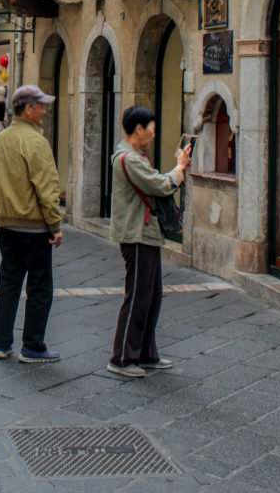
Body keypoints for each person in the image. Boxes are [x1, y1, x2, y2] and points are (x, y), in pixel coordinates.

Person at [108, 105, 191, 378]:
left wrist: (175, 168)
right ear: (139, 129)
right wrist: (179, 169)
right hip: (136, 234)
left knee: (152, 295)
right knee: (137, 297)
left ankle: (145, 353)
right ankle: (121, 358)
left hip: (146, 232)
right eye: (152, 131)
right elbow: (159, 185)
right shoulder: (129, 159)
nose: (153, 136)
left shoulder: (135, 157)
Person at [0, 84, 63, 363]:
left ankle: (1, 342)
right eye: (40, 105)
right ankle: (32, 345)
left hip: (6, 224)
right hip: (32, 225)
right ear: (28, 109)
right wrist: (54, 225)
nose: (44, 110)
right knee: (40, 286)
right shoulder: (35, 142)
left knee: (9, 282)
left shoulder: (2, 139)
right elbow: (47, 187)